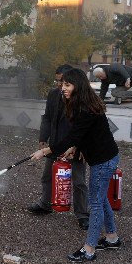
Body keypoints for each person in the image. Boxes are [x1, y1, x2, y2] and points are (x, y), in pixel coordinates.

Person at [30, 68, 121, 263]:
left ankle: (89, 249)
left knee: (95, 202)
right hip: (104, 158)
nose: (63, 88)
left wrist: (45, 151)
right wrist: (75, 147)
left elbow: (72, 136)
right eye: (62, 84)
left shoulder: (86, 108)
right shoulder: (82, 104)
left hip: (103, 161)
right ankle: (112, 238)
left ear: (77, 86)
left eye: (67, 85)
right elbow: (82, 135)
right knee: (101, 198)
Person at [28, 64, 90, 230]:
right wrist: (43, 137)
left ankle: (82, 214)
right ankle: (45, 204)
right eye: (57, 81)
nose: (59, 85)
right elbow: (47, 118)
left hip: (75, 147)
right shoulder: (53, 95)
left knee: (78, 182)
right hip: (55, 144)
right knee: (47, 176)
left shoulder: (81, 100)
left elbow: (84, 128)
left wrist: (81, 146)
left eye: (62, 82)